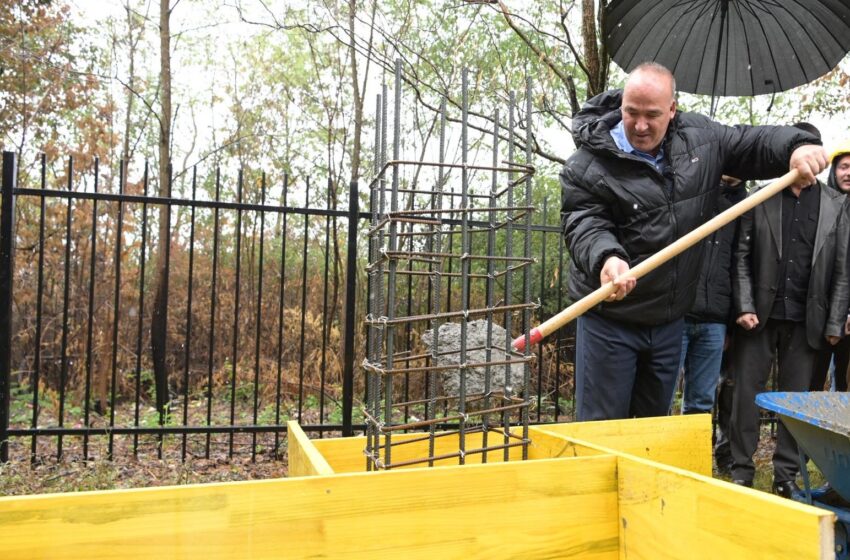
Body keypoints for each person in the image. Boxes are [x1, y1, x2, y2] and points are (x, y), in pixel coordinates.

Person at [561, 62, 827, 422]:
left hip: (669, 319)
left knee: (653, 431)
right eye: (631, 113)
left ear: (672, 109)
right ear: (621, 105)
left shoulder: (702, 139)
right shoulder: (587, 163)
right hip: (611, 318)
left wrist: (796, 147)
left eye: (652, 115)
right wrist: (607, 258)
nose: (640, 126)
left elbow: (753, 142)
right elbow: (584, 223)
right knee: (603, 429)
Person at [728, 123, 850, 497]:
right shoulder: (761, 196)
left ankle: (786, 475)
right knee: (745, 397)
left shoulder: (836, 203)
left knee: (797, 404)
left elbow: (843, 268)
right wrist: (744, 305)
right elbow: (741, 257)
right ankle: (741, 470)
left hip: (808, 322)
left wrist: (834, 321)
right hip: (759, 318)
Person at [676, 176, 745, 416]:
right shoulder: (694, 192)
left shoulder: (747, 204)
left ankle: (691, 453)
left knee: (702, 401)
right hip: (679, 314)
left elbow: (741, 266)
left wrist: (730, 325)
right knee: (659, 396)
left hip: (716, 320)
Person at [810, 141, 850, 392]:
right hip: (819, 310)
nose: (849, 173)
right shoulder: (821, 204)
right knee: (812, 380)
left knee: (844, 384)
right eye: (844, 167)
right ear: (834, 170)